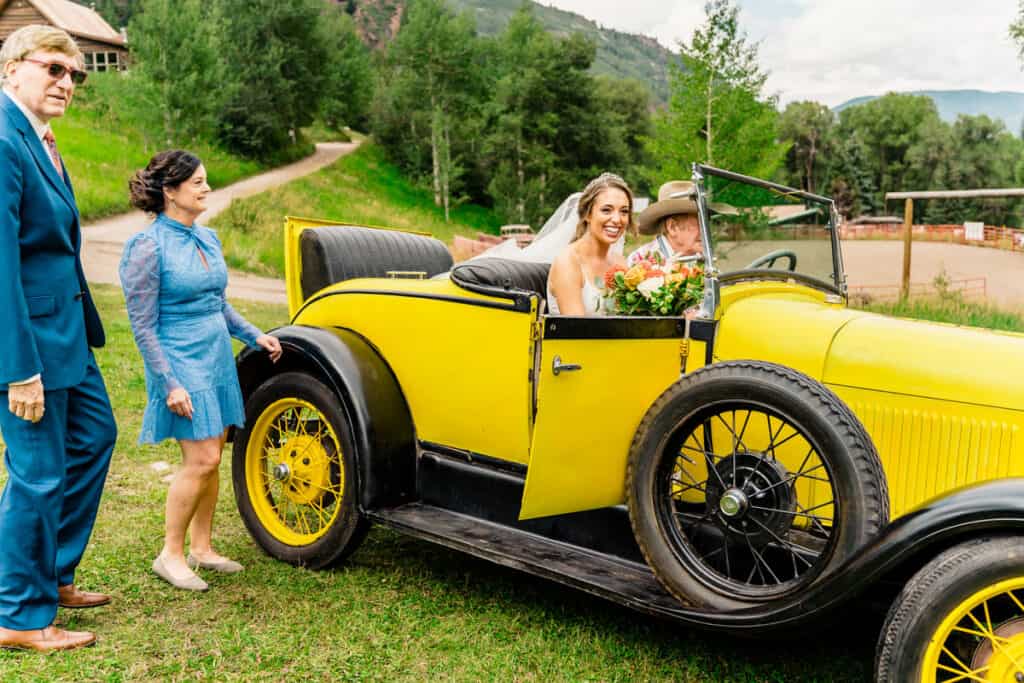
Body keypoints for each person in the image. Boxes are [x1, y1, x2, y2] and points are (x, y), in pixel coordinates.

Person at [0, 25, 117, 652]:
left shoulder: (40, 138)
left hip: (69, 333)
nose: (67, 82)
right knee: (38, 475)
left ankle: (52, 575)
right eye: (53, 69)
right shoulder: (1, 139)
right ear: (12, 68)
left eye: (75, 74)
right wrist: (18, 369)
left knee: (96, 436)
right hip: (29, 344)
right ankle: (19, 616)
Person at [119, 150, 282, 592]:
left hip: (214, 361)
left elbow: (219, 304)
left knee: (213, 457)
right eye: (197, 183)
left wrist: (254, 336)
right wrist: (168, 383)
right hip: (178, 362)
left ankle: (203, 548)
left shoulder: (208, 238)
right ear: (170, 192)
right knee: (202, 459)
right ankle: (169, 555)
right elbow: (142, 324)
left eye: (206, 181)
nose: (206, 189)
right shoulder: (147, 246)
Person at [546, 173, 635, 315]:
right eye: (606, 210)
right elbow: (576, 332)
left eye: (624, 211)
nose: (617, 219)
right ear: (587, 214)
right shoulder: (568, 262)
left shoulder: (620, 262)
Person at [628, 180, 704, 266]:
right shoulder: (641, 263)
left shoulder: (700, 258)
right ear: (672, 227)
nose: (706, 231)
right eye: (700, 222)